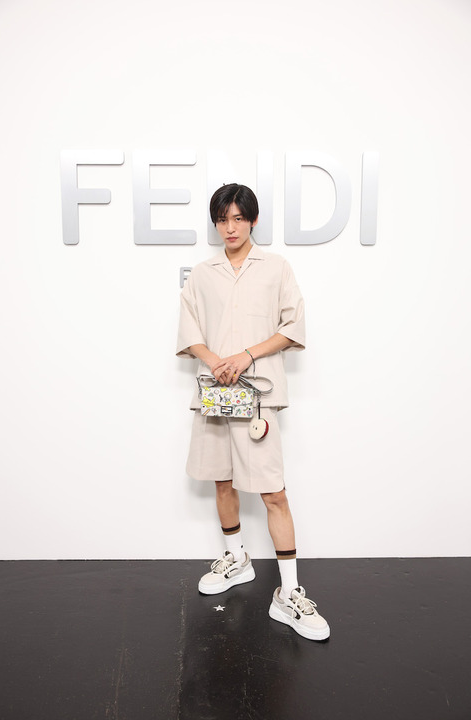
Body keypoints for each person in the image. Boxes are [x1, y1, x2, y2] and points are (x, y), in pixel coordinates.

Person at [176, 183, 330, 641]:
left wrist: (244, 356)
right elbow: (189, 330)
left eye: (238, 218)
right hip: (215, 392)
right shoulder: (201, 274)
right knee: (221, 479)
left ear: (253, 220)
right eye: (223, 219)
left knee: (273, 492)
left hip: (257, 394)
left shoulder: (276, 267)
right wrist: (216, 362)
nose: (230, 227)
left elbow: (293, 326)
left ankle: (289, 593)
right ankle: (237, 558)